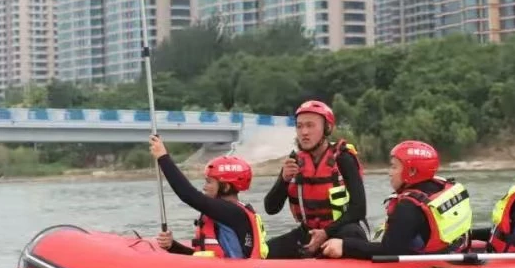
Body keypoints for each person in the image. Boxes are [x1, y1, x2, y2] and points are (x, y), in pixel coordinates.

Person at [320, 140, 472, 259]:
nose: (389, 173)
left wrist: (345, 245)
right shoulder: (440, 186)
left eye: (394, 167)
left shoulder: (408, 207)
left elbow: (389, 251)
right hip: (453, 253)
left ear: (412, 171)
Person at [263, 100, 369, 258]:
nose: (304, 132)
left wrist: (326, 233)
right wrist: (283, 180)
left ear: (327, 128)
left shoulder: (343, 159)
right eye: (299, 126)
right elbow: (271, 208)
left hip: (341, 232)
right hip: (308, 233)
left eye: (310, 125)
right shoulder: (294, 161)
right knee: (264, 252)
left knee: (352, 232)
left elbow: (359, 209)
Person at [149, 135, 268, 259]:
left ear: (226, 187)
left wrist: (163, 157)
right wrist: (172, 246)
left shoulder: (232, 212)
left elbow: (188, 195)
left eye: (209, 182)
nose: (204, 187)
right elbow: (200, 257)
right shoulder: (222, 214)